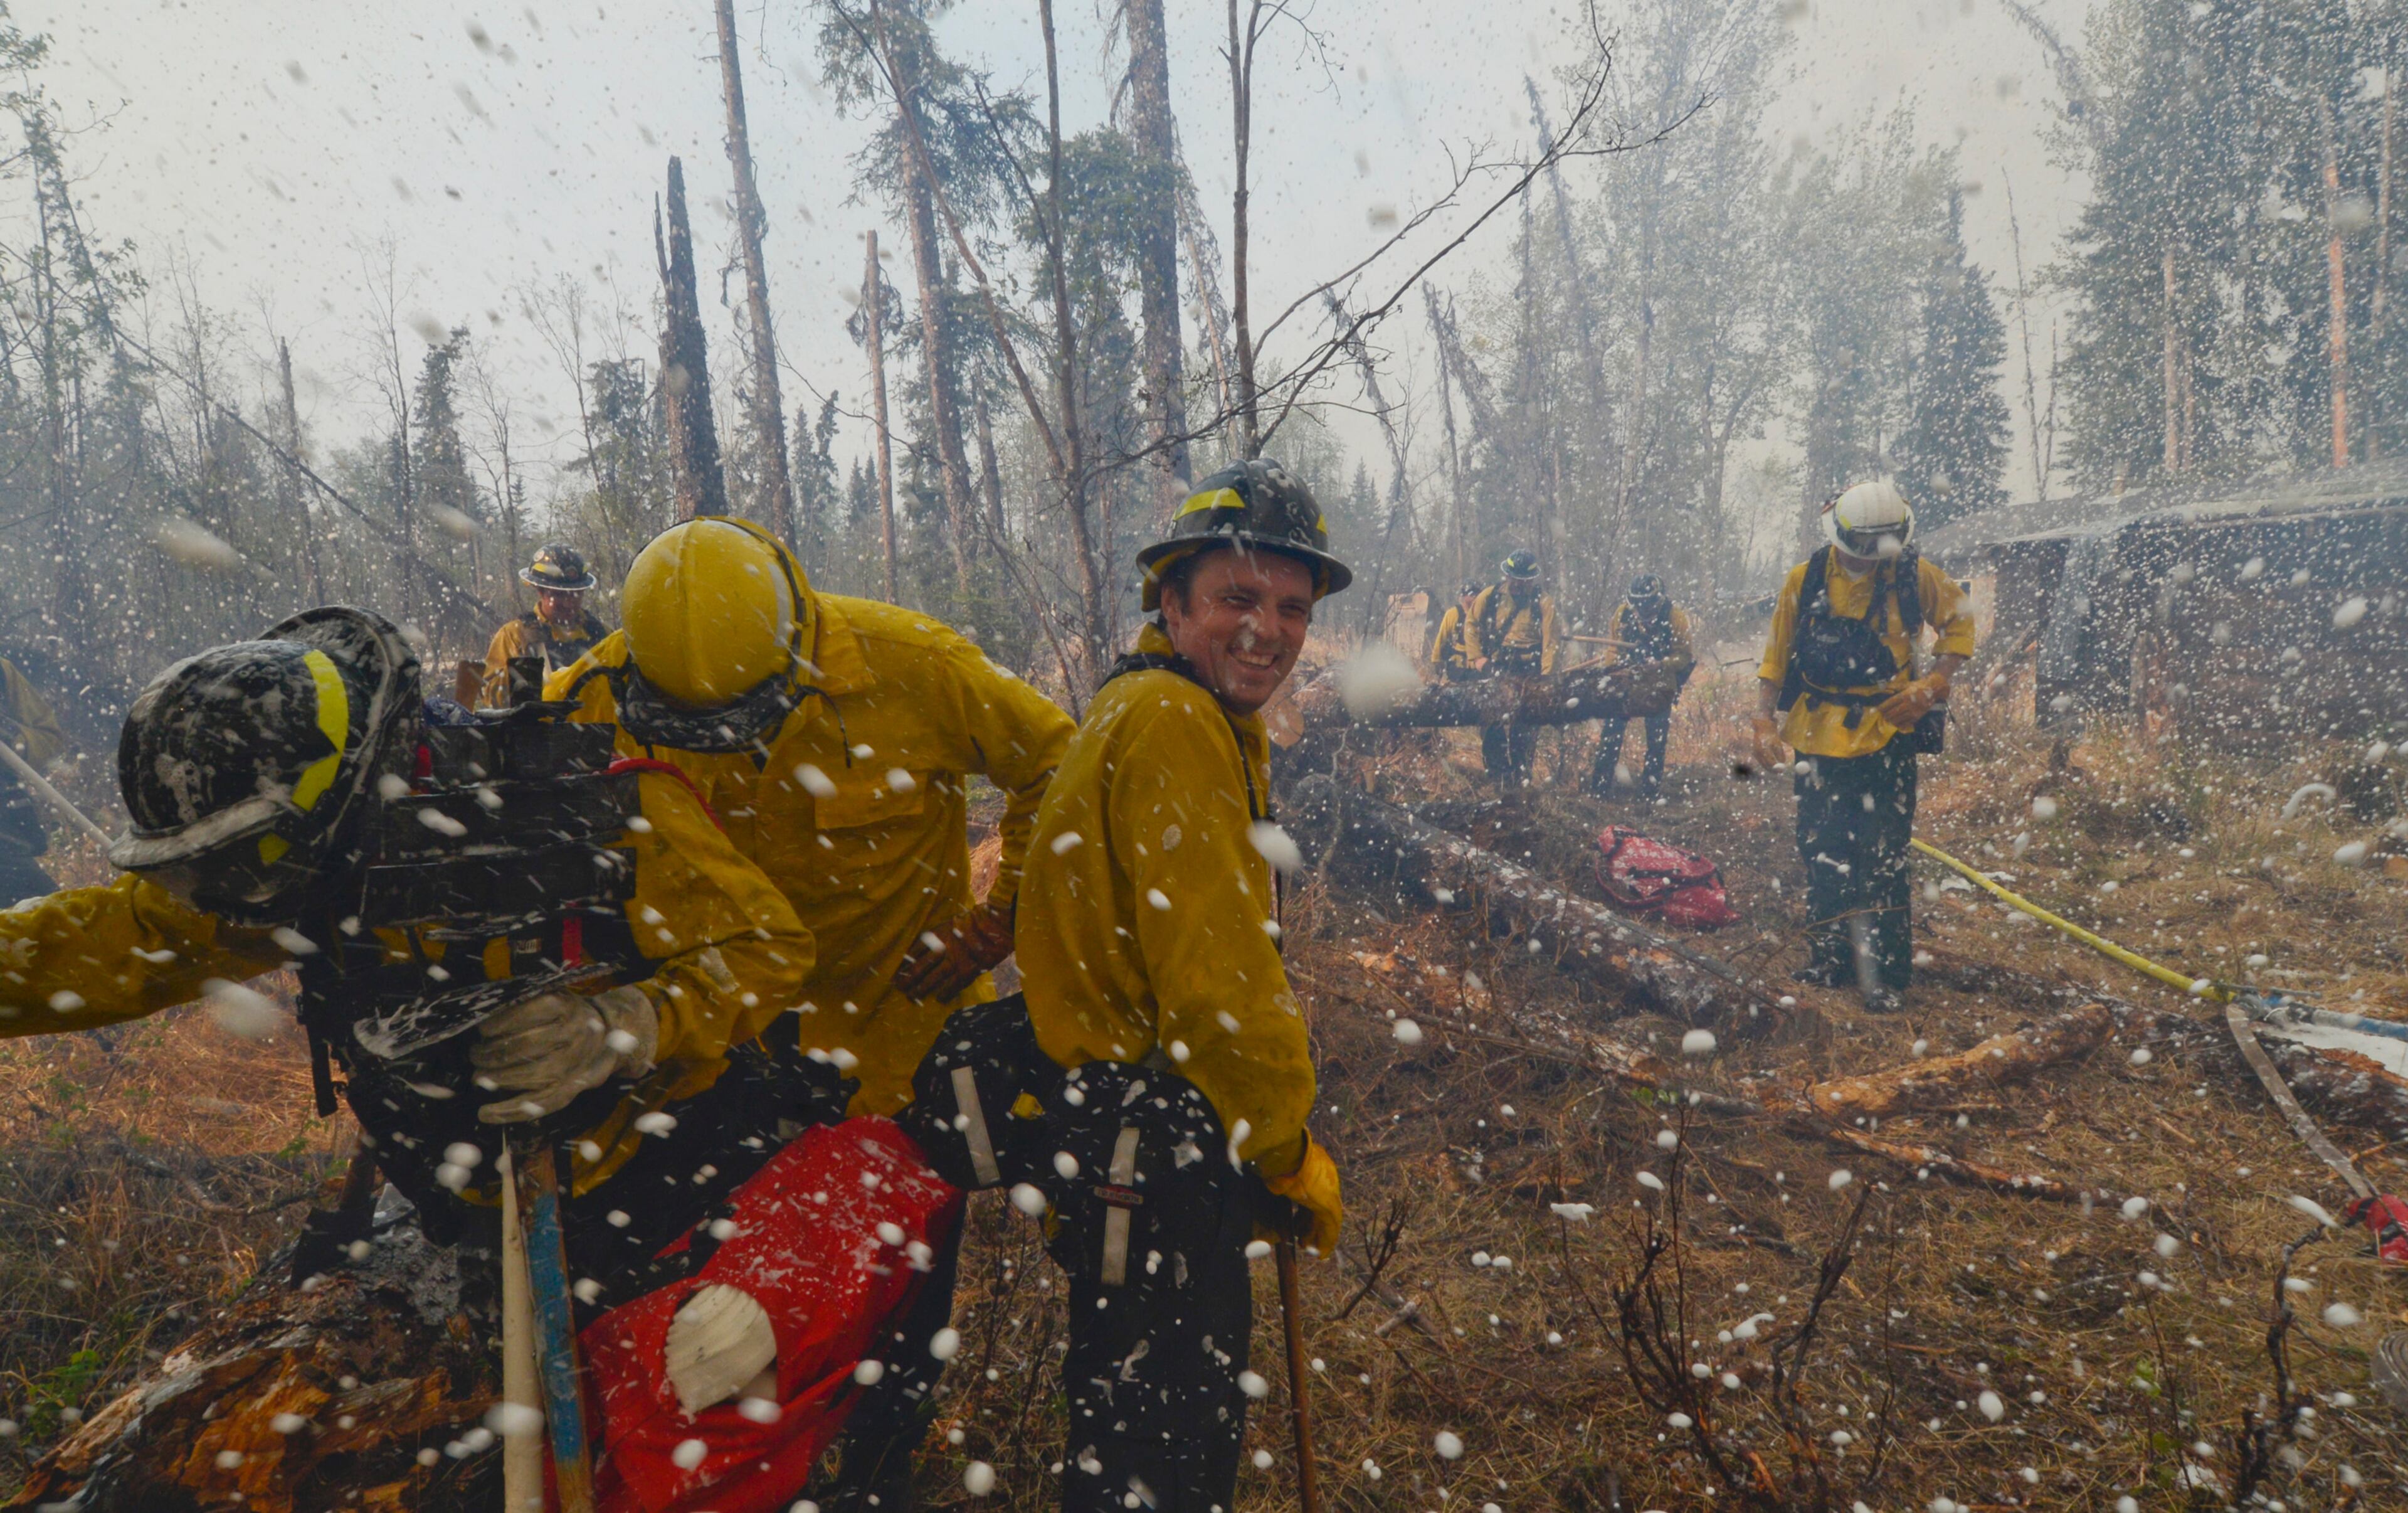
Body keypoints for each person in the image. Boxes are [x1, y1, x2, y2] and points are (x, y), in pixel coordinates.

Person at [0, 607, 912, 1485]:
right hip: (472, 1201)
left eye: (238, 866)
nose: (226, 897)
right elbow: (105, 943)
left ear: (329, 805)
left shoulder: (584, 809)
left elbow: (769, 947)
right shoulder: (282, 867)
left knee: (692, 1455)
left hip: (676, 1186)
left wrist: (630, 1023)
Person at [546, 514, 1074, 1502]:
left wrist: (1002, 919)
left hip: (896, 1052)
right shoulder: (590, 698)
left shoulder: (914, 665)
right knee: (708, 1326)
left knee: (901, 1326)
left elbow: (1062, 762)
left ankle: (882, 1479)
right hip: (709, 1061)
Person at [952, 458, 1348, 1513]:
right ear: (1170, 602)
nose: (1267, 629)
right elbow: (1217, 985)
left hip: (1120, 1143)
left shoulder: (1152, 708)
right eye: (1236, 598)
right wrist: (1282, 1145)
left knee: (1128, 1434)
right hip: (1161, 1153)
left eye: (1291, 608)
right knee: (1165, 1462)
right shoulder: (1174, 726)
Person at [1751, 480, 1973, 1012]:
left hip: (1887, 731)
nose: (1870, 561)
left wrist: (1932, 685)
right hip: (1817, 734)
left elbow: (1961, 623)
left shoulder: (1912, 575)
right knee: (1824, 849)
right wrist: (1762, 719)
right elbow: (1776, 655)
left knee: (1884, 856)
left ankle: (1886, 976)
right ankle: (1830, 959)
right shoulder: (1804, 581)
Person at [1588, 573, 1696, 802]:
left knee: (1656, 739)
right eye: (1638, 603)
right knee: (1611, 732)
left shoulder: (1675, 616)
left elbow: (1684, 656)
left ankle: (1650, 793)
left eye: (1647, 604)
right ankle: (1599, 789)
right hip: (1627, 680)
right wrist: (1614, 670)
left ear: (1657, 599)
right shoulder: (1623, 614)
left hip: (1660, 683)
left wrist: (1662, 664)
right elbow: (1613, 649)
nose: (1642, 609)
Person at [1465, 547, 1558, 783]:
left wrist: (1547, 679)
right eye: (1514, 579)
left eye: (1523, 581)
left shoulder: (1544, 603)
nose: (1518, 585)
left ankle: (1520, 778)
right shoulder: (1490, 596)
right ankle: (1498, 779)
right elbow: (1471, 626)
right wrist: (1478, 659)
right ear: (1507, 576)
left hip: (1530, 670)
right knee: (1492, 723)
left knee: (1525, 727)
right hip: (1497, 665)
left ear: (1532, 580)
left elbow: (1550, 644)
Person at [480, 541, 610, 706]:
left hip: (596, 728)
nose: (569, 603)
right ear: (539, 590)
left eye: (576, 595)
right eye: (560, 595)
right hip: (543, 730)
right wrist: (518, 679)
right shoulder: (515, 636)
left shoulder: (601, 633)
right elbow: (489, 696)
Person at [0, 654, 68, 901]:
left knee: (51, 923)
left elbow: (50, 739)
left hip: (7, 839)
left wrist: (13, 738)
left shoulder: (2, 673)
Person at [1425, 580, 1484, 682]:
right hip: (1458, 666)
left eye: (1477, 595)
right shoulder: (1453, 614)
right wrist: (1437, 660)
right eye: (1472, 595)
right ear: (1464, 596)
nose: (1475, 598)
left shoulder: (1484, 615)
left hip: (1477, 664)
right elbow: (1442, 638)